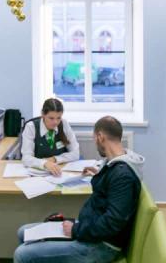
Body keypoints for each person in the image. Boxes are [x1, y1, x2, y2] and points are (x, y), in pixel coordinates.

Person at [14, 116, 145, 263]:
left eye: (94, 139)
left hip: (101, 245)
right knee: (24, 232)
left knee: (22, 254)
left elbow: (112, 222)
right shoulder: (116, 164)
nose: (95, 143)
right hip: (90, 229)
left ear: (100, 137)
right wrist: (100, 175)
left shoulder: (122, 176)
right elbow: (112, 192)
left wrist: (75, 230)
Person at [21, 98, 80, 176]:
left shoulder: (64, 124)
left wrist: (55, 159)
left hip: (60, 172)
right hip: (38, 173)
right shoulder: (31, 127)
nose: (55, 122)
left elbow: (75, 153)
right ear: (43, 114)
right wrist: (44, 163)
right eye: (51, 118)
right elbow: (26, 158)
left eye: (58, 118)